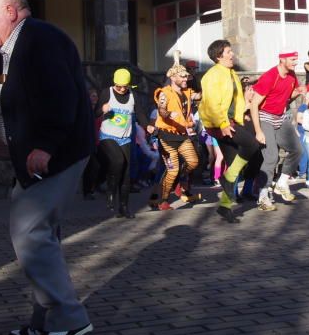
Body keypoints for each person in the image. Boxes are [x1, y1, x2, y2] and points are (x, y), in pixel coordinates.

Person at [0, 0, 94, 335]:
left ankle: (69, 319)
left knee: (30, 233)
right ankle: (44, 320)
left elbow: (61, 95)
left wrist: (45, 145)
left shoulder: (37, 38)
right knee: (38, 237)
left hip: (55, 154)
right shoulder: (19, 44)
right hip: (38, 158)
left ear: (10, 10)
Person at [199, 39, 259, 223]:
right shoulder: (211, 76)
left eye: (231, 51)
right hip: (218, 124)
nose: (232, 54)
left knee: (233, 159)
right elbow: (211, 103)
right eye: (228, 52)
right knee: (252, 145)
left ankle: (225, 207)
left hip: (231, 121)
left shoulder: (231, 73)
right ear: (218, 56)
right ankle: (227, 178)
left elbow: (235, 101)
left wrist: (243, 112)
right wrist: (223, 123)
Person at [249, 49, 305, 211]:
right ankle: (263, 196)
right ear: (282, 59)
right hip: (265, 117)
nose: (296, 62)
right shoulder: (269, 77)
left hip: (281, 117)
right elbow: (254, 104)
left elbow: (286, 96)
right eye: (293, 59)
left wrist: (298, 92)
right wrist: (258, 131)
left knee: (297, 150)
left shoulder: (292, 76)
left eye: (296, 59)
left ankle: (281, 183)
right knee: (271, 157)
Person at [94, 68, 152, 219]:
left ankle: (124, 207)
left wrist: (148, 126)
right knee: (118, 161)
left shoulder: (133, 95)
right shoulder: (107, 93)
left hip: (125, 138)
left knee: (126, 173)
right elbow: (94, 113)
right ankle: (110, 189)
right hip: (108, 136)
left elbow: (140, 113)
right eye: (118, 86)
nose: (121, 89)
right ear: (114, 83)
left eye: (124, 86)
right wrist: (102, 109)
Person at [151, 64, 202, 211]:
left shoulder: (187, 92)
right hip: (166, 137)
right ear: (173, 77)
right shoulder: (165, 93)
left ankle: (179, 180)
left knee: (193, 162)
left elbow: (199, 96)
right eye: (183, 76)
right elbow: (161, 109)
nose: (186, 78)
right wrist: (168, 114)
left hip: (182, 135)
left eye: (187, 76)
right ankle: (163, 200)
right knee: (171, 170)